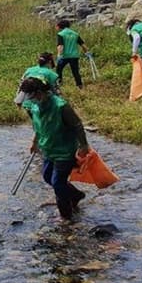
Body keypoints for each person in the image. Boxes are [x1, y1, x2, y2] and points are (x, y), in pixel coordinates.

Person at [19, 77, 90, 219]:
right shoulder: (34, 106)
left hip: (64, 151)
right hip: (48, 148)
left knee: (58, 183)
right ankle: (76, 195)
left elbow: (77, 125)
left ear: (40, 92)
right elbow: (39, 126)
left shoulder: (60, 106)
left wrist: (83, 145)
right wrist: (35, 142)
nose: (30, 100)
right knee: (47, 176)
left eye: (32, 96)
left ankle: (66, 219)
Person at [55, 19, 88, 89]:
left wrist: (59, 55)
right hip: (74, 56)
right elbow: (83, 45)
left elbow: (60, 46)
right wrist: (87, 53)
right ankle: (80, 86)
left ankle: (59, 84)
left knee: (59, 70)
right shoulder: (75, 34)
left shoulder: (61, 34)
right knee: (75, 71)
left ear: (60, 26)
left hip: (64, 56)